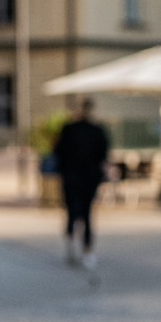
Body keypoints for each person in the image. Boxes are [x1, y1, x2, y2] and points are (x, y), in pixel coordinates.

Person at [54, 99, 111, 271]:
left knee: (74, 212)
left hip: (75, 177)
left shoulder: (70, 129)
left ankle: (74, 247)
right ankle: (84, 250)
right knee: (84, 213)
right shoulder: (95, 130)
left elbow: (58, 152)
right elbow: (103, 155)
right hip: (86, 178)